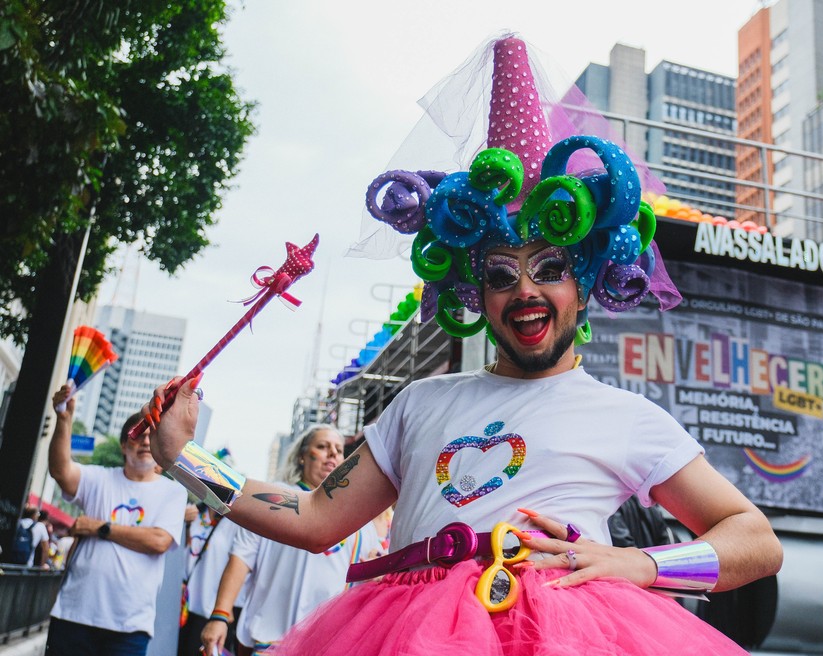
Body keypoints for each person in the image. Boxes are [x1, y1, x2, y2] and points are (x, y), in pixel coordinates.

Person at [143, 34, 782, 655]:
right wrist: (182, 459)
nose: (525, 290)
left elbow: (755, 540)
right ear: (476, 292)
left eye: (550, 268)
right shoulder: (419, 404)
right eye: (501, 274)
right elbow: (314, 518)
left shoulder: (628, 418)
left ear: (585, 283)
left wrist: (643, 564)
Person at [199, 425, 381, 656]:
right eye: (322, 446)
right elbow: (241, 559)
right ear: (302, 456)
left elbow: (370, 574)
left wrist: (378, 569)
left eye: (338, 449)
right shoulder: (273, 498)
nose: (332, 454)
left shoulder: (359, 518)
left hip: (328, 645)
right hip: (271, 641)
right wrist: (220, 616)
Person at [47, 384, 187, 656]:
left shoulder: (173, 491)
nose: (144, 442)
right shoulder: (98, 478)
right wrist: (64, 419)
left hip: (129, 626)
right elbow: (61, 471)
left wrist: (100, 527)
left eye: (151, 436)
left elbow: (159, 541)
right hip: (74, 615)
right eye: (137, 436)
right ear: (124, 445)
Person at [177, 503, 249, 656]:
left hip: (212, 609)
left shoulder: (238, 522)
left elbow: (242, 563)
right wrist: (181, 521)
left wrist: (229, 606)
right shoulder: (193, 512)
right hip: (184, 605)